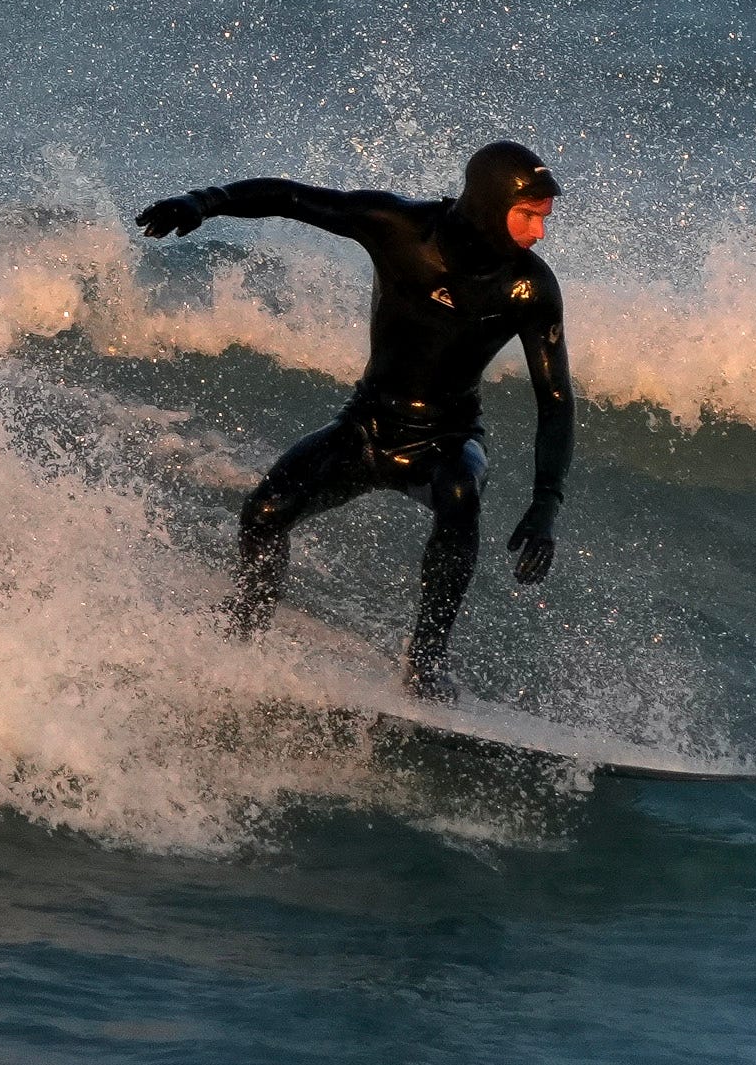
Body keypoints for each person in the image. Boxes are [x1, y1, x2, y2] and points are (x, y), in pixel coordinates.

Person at [134, 140, 573, 698]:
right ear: (490, 204)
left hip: (448, 439)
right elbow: (294, 199)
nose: (539, 233)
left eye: (543, 219)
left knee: (460, 494)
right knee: (264, 513)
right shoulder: (400, 228)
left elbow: (555, 399)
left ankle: (426, 663)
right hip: (367, 427)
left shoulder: (530, 287)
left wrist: (546, 502)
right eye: (528, 216)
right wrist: (203, 201)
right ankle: (246, 621)